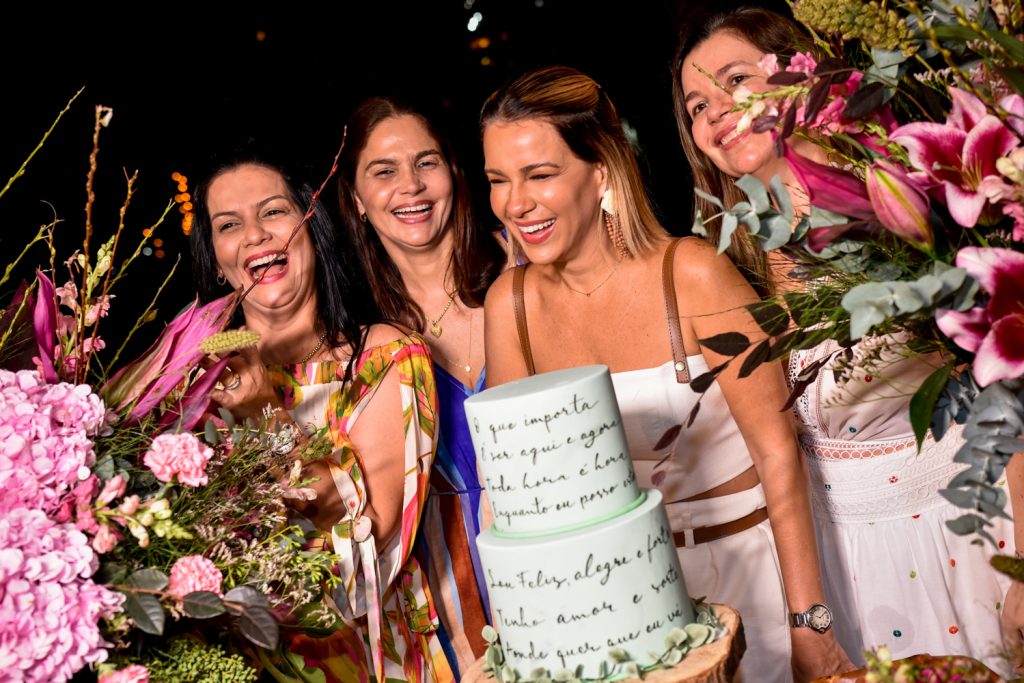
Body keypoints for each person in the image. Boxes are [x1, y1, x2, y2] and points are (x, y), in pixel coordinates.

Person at [673, 6, 1019, 674]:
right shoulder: (729, 269)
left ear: (799, 78)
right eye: (697, 104)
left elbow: (1011, 384)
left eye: (736, 81)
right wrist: (811, 620)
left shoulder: (909, 197)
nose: (717, 111)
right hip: (844, 567)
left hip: (970, 532)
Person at [479, 64, 852, 683]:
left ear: (600, 171)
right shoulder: (509, 305)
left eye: (539, 174)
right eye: (498, 179)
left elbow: (778, 451)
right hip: (623, 621)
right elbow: (523, 498)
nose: (515, 203)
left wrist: (808, 622)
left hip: (751, 584)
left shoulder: (693, 274)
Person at [189, 150, 454, 682]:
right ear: (217, 260)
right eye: (228, 225)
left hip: (371, 661)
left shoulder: (387, 360)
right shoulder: (192, 390)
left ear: (313, 226)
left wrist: (267, 416)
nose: (255, 235)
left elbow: (368, 548)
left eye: (273, 212)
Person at [336, 95, 506, 676]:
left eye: (425, 162)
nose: (410, 185)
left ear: (453, 173)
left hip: (570, 575)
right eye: (383, 171)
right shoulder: (359, 350)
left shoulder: (525, 277)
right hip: (450, 615)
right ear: (357, 200)